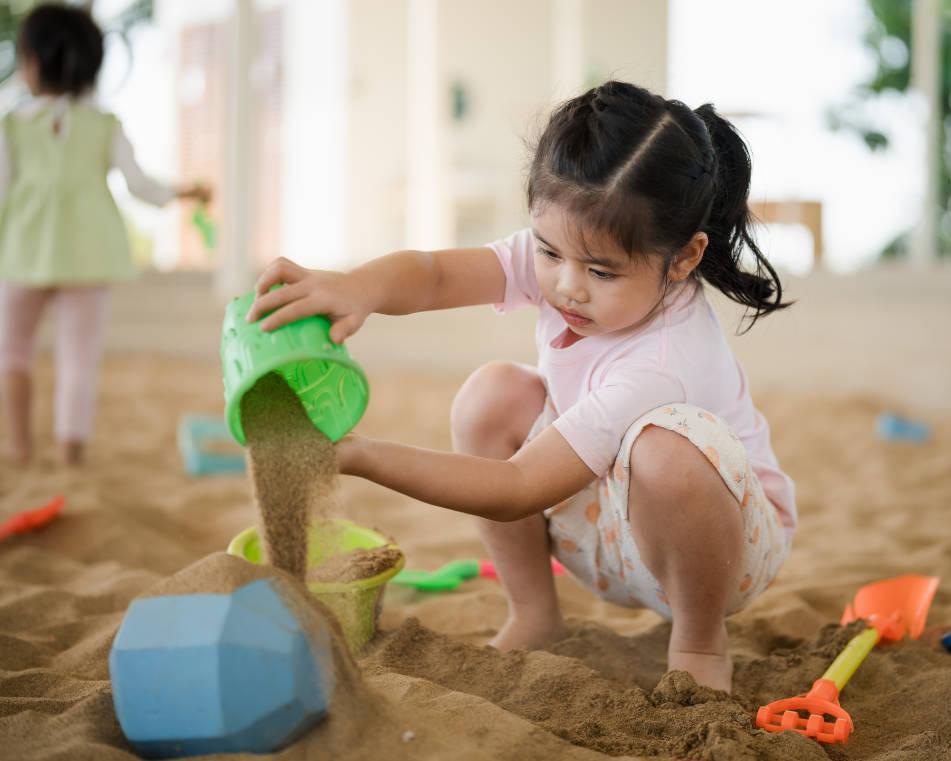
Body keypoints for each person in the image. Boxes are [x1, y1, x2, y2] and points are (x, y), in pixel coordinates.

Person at [248, 80, 796, 692]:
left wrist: (362, 455)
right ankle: (534, 613)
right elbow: (433, 277)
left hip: (724, 555)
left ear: (684, 259)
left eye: (601, 271)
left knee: (668, 450)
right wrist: (358, 288)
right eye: (548, 252)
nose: (567, 287)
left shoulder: (663, 361)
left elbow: (519, 486)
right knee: (494, 393)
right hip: (608, 530)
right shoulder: (572, 251)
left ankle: (699, 643)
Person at [0, 3, 210, 466]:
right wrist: (185, 192)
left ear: (30, 63)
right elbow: (140, 185)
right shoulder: (105, 124)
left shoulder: (10, 127)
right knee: (79, 357)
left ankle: (19, 445)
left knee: (10, 348)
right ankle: (70, 453)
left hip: (22, 255)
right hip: (88, 255)